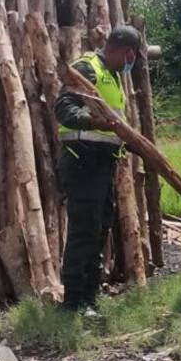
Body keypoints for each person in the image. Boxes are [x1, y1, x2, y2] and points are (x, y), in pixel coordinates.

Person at [53, 26, 143, 311]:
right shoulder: (87, 68)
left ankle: (89, 299)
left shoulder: (113, 76)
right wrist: (94, 122)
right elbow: (64, 107)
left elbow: (113, 124)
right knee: (84, 230)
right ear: (125, 51)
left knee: (99, 228)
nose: (131, 61)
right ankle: (73, 302)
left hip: (102, 163)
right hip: (82, 160)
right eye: (131, 56)